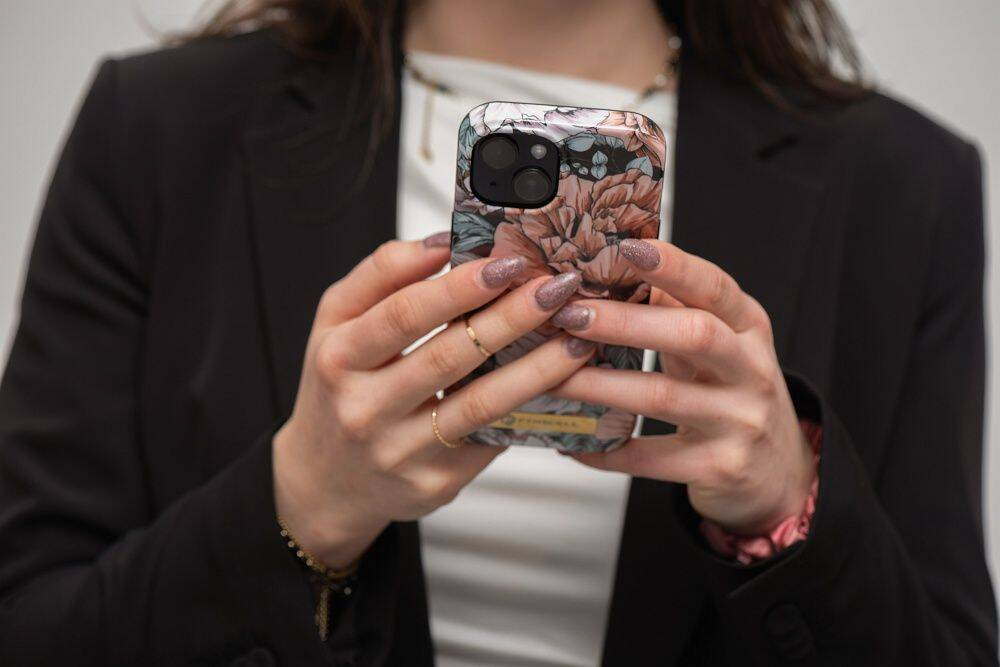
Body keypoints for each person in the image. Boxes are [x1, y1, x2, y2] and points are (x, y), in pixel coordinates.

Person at [0, 0, 995, 665]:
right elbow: (29, 626)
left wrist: (786, 509)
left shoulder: (905, 187)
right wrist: (300, 503)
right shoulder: (160, 131)